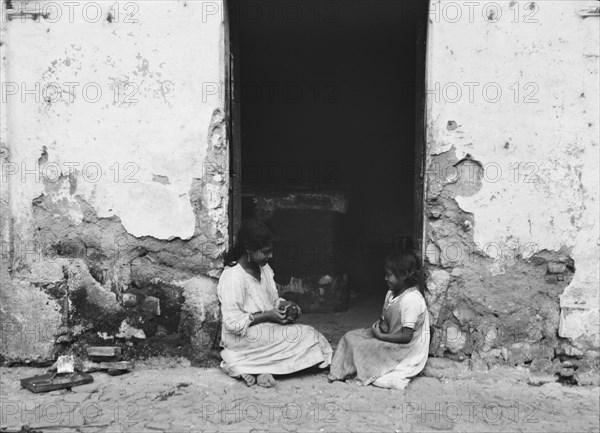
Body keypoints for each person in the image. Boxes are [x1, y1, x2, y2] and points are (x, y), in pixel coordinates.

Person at [217, 219, 333, 387]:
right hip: (241, 336)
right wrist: (267, 316)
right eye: (265, 252)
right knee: (307, 336)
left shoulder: (264, 268)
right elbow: (232, 324)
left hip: (266, 331)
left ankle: (259, 368)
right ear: (249, 250)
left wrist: (287, 306)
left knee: (312, 337)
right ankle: (239, 361)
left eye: (270, 251)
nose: (270, 256)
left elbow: (272, 302)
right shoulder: (233, 276)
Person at [328, 251, 430, 390]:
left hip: (404, 348)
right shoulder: (391, 293)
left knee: (363, 348)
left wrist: (381, 336)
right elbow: (386, 318)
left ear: (404, 275)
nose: (385, 278)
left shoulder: (411, 300)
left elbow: (407, 336)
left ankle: (361, 371)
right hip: (390, 336)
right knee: (350, 337)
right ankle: (347, 370)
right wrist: (381, 325)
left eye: (389, 275)